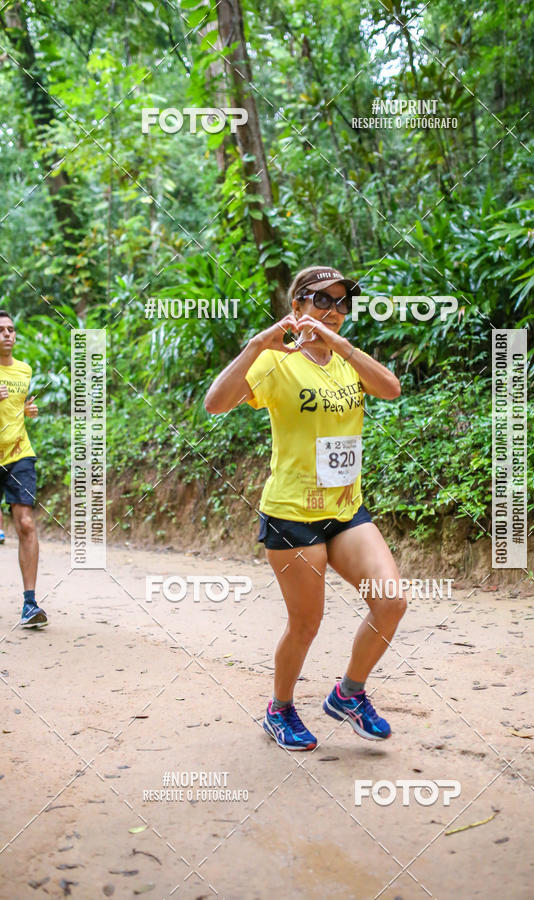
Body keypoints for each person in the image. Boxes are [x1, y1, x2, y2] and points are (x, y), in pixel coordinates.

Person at [204, 267, 407, 750]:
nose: (333, 311)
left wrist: (343, 347)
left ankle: (348, 694)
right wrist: (256, 345)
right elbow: (215, 403)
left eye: (342, 303)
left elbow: (391, 388)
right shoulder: (276, 362)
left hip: (345, 508)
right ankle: (280, 709)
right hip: (292, 513)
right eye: (321, 300)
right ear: (297, 307)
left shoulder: (345, 359)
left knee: (391, 601)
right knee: (306, 622)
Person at [0, 310, 46, 627]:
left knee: (26, 523)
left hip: (19, 453)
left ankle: (30, 604)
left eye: (11, 329)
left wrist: (27, 410)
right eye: (1, 330)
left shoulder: (24, 370)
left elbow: (18, 408)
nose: (7, 334)